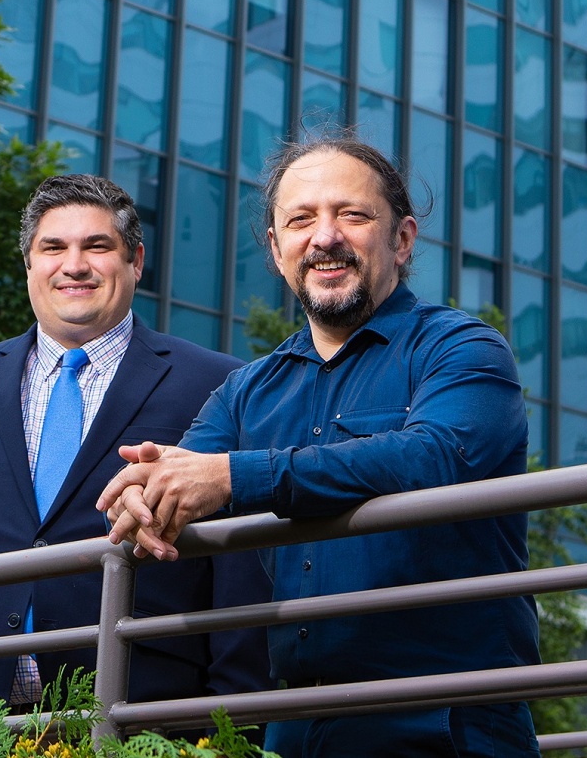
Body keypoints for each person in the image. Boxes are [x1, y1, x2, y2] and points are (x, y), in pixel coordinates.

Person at [97, 137, 541, 758]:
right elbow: (184, 477)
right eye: (300, 220)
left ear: (403, 239)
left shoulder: (462, 348)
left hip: (446, 714)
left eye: (352, 215)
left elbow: (437, 456)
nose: (325, 236)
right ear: (278, 252)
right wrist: (142, 493)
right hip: (295, 718)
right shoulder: (246, 392)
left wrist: (238, 477)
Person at [0, 174, 272, 714]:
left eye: (97, 246)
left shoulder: (216, 382)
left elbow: (240, 562)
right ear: (29, 264)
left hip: (138, 703)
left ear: (136, 262)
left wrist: (232, 723)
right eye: (53, 247)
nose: (74, 265)